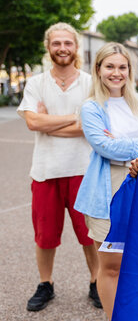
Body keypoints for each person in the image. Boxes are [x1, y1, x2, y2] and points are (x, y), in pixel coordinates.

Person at [74, 42, 138, 320]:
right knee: (112, 266)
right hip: (106, 191)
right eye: (110, 66)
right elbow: (105, 147)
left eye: (122, 67)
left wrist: (136, 150)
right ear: (98, 69)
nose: (116, 73)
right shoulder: (91, 108)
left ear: (129, 70)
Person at [17, 22, 101, 311]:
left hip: (84, 170)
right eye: (56, 44)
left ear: (76, 46)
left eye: (67, 43)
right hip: (45, 170)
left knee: (89, 233)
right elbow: (32, 122)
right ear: (48, 46)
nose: (62, 48)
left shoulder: (91, 82)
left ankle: (96, 282)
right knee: (45, 235)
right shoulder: (36, 82)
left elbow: (92, 128)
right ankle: (46, 283)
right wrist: (73, 119)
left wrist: (49, 123)